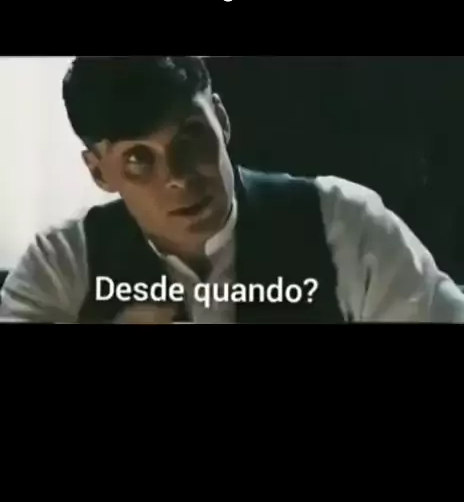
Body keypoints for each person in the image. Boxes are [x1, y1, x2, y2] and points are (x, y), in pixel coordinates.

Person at [0, 56, 463, 323]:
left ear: (220, 120)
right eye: (139, 159)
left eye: (190, 137)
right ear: (100, 173)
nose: (178, 176)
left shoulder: (345, 225)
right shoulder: (60, 265)